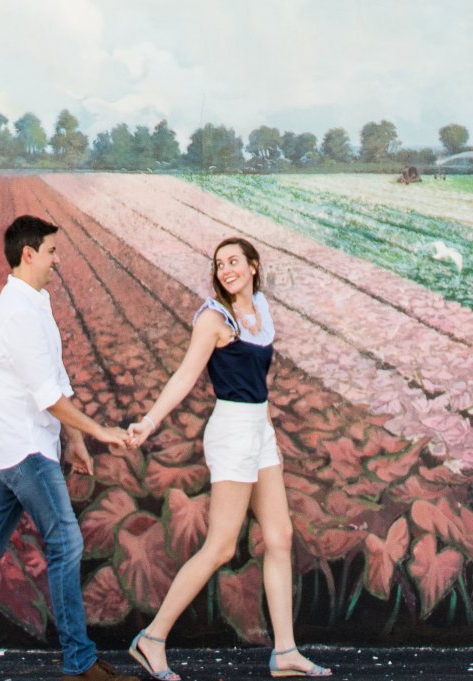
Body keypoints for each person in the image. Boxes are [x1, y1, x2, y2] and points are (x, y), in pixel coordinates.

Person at [0, 215, 138, 681]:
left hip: (17, 446)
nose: (58, 260)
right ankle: (80, 663)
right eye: (53, 251)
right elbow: (47, 396)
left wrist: (74, 438)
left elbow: (53, 375)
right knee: (66, 543)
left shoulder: (34, 302)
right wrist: (100, 431)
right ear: (29, 254)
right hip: (25, 451)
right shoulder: (17, 312)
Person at [126, 237, 331, 679]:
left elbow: (259, 383)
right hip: (233, 430)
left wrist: (268, 432)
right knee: (220, 546)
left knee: (279, 536)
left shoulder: (259, 310)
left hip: (259, 429)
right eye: (220, 264)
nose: (226, 270)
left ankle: (285, 652)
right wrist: (149, 421)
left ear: (254, 266)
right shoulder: (214, 319)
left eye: (234, 262)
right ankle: (153, 638)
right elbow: (186, 375)